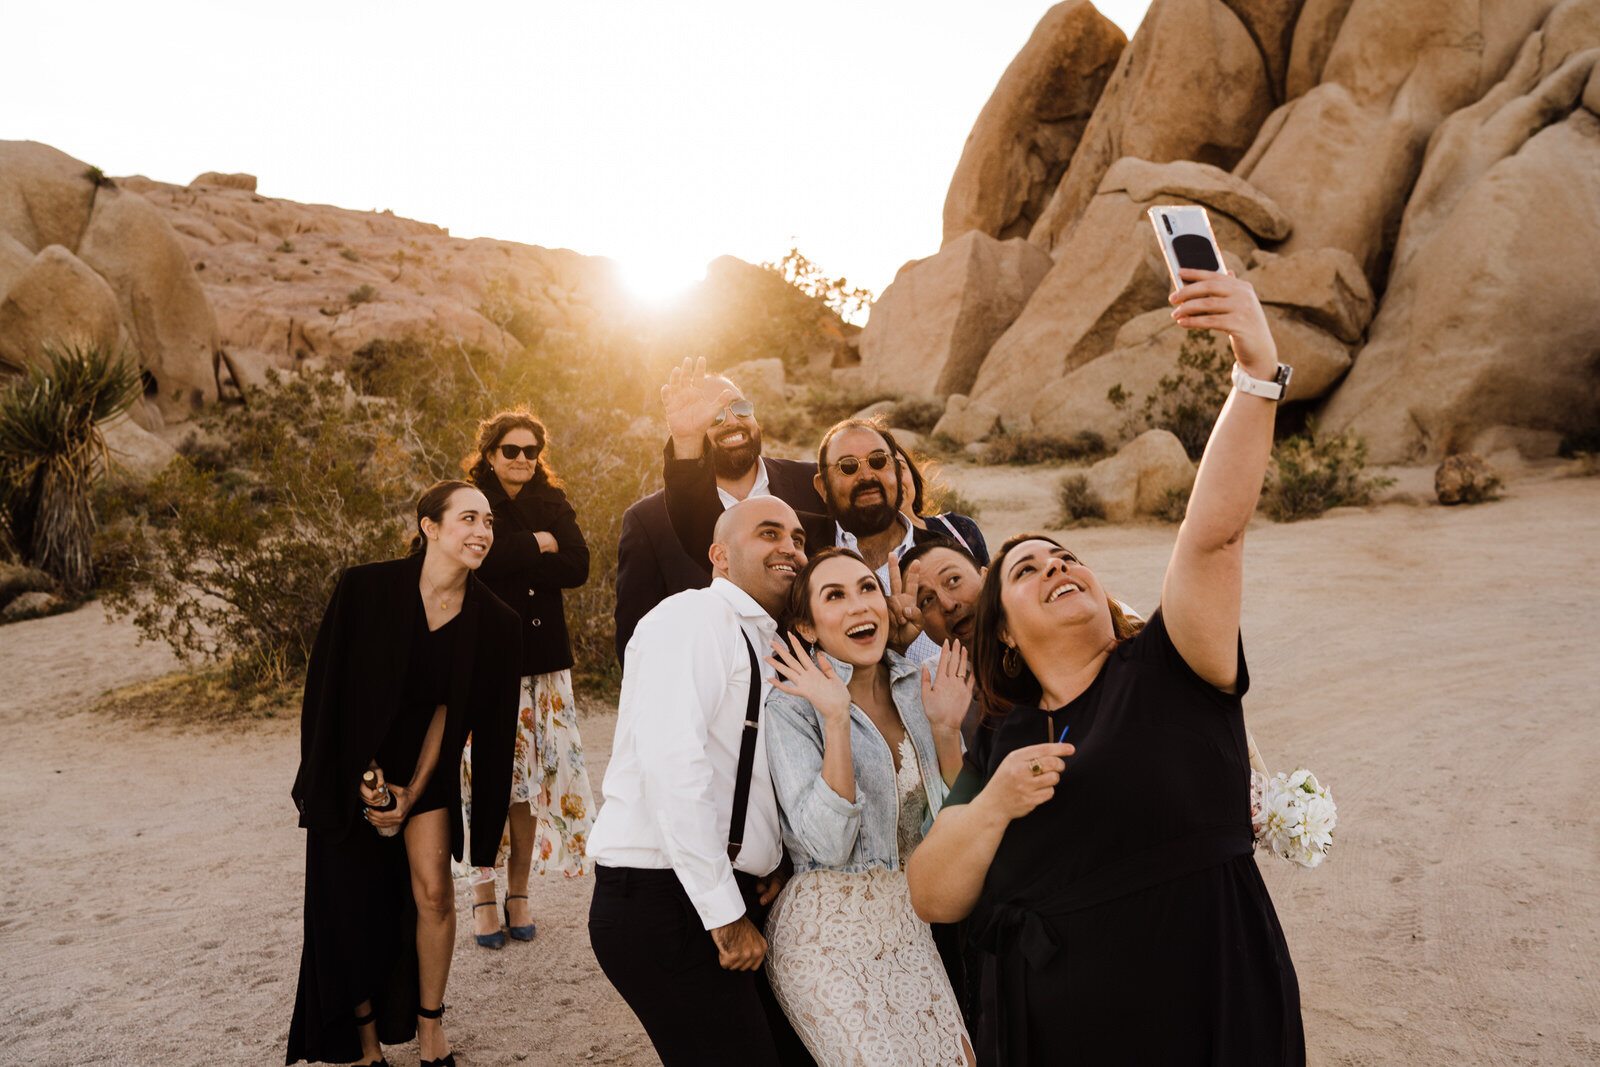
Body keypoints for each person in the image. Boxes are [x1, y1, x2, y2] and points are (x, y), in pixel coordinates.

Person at [906, 267, 1305, 1065]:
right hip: (1064, 1035)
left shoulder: (1172, 665)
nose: (1058, 566)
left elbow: (1211, 533)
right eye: (1026, 570)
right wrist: (994, 806)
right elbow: (932, 892)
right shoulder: (1005, 734)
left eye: (1066, 556)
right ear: (1006, 637)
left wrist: (1256, 375)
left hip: (1210, 999)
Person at [288, 480, 521, 1067]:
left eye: (489, 521)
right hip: (351, 761)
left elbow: (457, 712)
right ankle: (366, 1047)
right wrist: (360, 776)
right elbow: (328, 689)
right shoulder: (363, 588)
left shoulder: (494, 620)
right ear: (430, 526)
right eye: (468, 518)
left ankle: (431, 1028)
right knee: (352, 901)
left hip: (428, 763)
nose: (482, 532)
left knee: (436, 893)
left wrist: (413, 791)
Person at [587, 496, 815, 1067]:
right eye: (769, 534)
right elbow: (675, 766)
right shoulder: (691, 619)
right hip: (667, 899)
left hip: (717, 890)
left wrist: (774, 858)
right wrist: (724, 915)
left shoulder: (771, 639)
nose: (790, 547)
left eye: (798, 538)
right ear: (719, 555)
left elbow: (755, 771)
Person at [762, 548, 974, 1066]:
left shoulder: (921, 686)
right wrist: (835, 717)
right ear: (808, 627)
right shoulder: (791, 705)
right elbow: (829, 846)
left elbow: (959, 834)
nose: (859, 605)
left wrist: (947, 733)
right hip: (825, 933)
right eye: (835, 595)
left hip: (908, 922)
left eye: (867, 589)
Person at [458, 409, 595, 950]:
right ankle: (482, 896)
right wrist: (538, 545)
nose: (521, 460)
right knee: (488, 782)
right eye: (510, 450)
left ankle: (519, 896)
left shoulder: (552, 503)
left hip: (543, 664)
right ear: (490, 453)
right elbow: (470, 559)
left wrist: (519, 554)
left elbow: (579, 567)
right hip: (486, 660)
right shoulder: (469, 502)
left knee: (532, 782)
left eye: (530, 451)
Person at [614, 357, 824, 665]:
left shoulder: (814, 483)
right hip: (713, 693)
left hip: (816, 685)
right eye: (713, 417)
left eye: (740, 409)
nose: (730, 421)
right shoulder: (648, 521)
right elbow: (637, 636)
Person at [893, 444, 987, 565]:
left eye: (899, 468)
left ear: (913, 475)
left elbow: (989, 582)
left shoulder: (960, 528)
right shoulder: (866, 553)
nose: (892, 480)